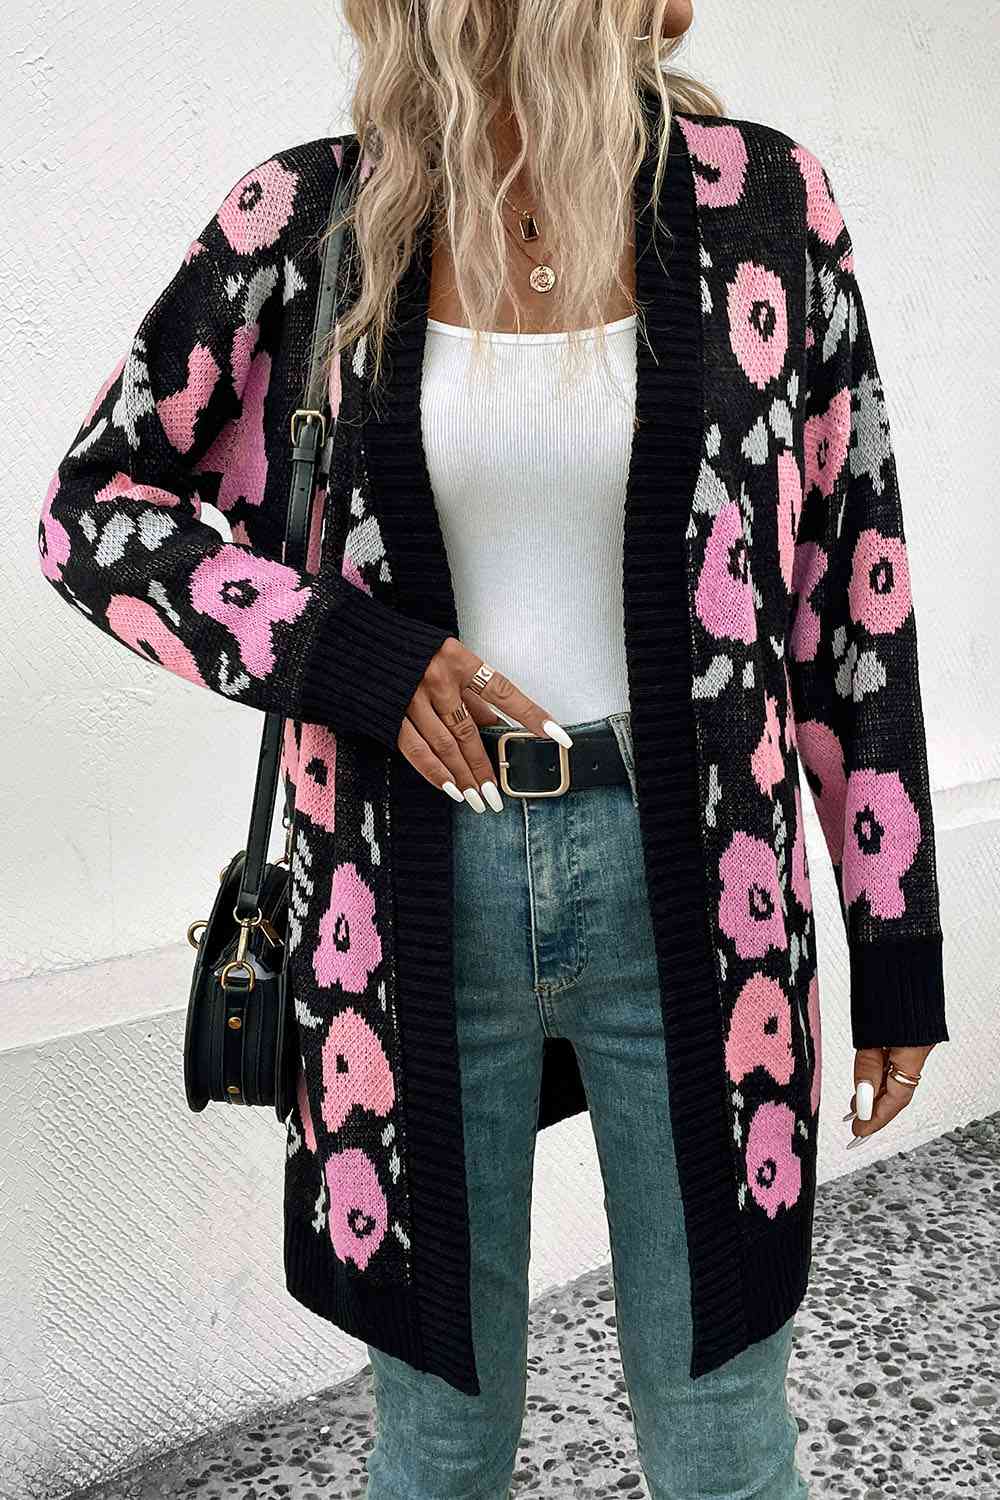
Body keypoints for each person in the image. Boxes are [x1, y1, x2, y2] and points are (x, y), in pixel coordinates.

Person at [39, 2, 949, 1496]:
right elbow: (93, 512)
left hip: (700, 891)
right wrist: (350, 656)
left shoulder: (766, 207)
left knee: (724, 1431)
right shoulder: (314, 221)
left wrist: (894, 936)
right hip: (406, 906)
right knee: (441, 1444)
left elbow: (854, 584)